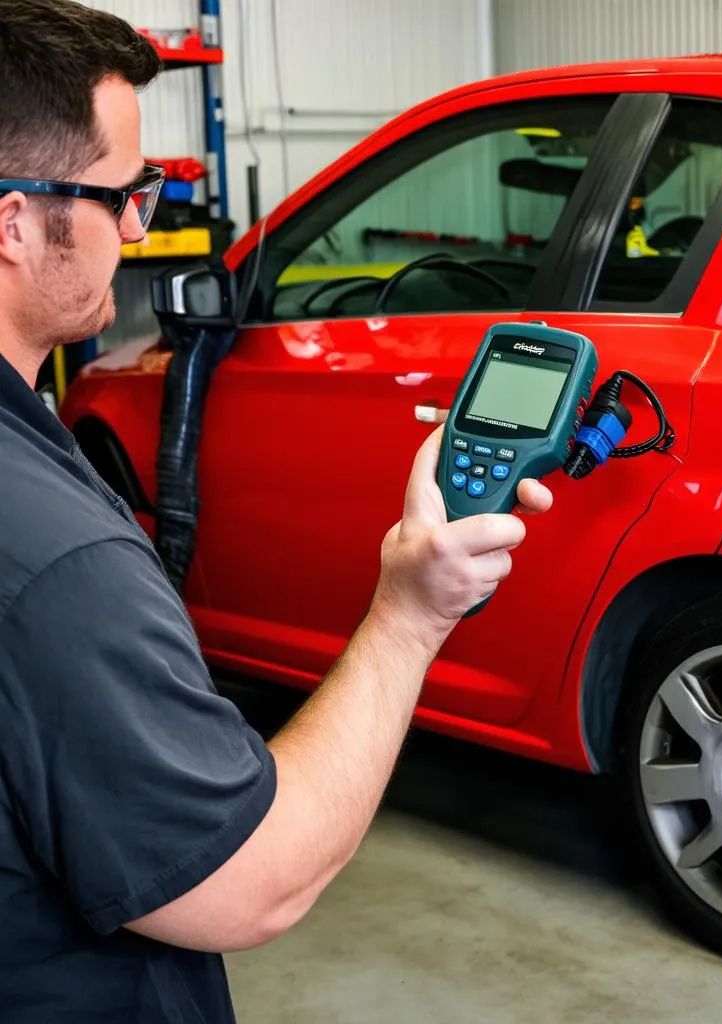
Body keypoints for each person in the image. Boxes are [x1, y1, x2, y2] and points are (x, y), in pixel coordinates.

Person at [0, 2, 553, 1020]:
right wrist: (408, 616)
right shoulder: (60, 565)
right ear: (15, 222)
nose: (138, 226)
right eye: (124, 194)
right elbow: (253, 881)